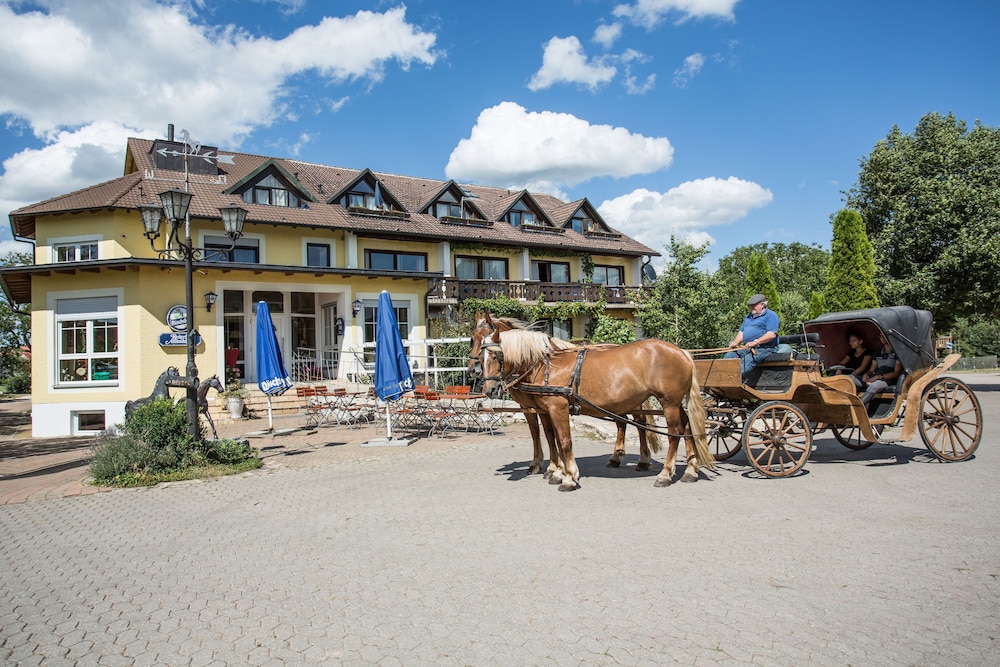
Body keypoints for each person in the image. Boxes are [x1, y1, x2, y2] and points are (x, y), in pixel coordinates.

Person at [725, 293, 780, 378]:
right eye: (750, 305)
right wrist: (735, 342)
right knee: (730, 355)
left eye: (754, 305)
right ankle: (721, 379)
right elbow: (741, 332)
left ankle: (732, 380)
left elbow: (771, 334)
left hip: (765, 348)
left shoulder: (771, 315)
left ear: (762, 305)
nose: (751, 307)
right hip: (748, 347)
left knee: (748, 360)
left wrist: (756, 342)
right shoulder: (748, 317)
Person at [860, 333, 903, 406]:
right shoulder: (877, 353)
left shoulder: (897, 353)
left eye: (884, 335)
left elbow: (896, 373)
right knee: (852, 381)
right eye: (880, 336)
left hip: (888, 379)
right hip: (875, 376)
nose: (882, 338)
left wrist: (879, 377)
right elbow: (871, 370)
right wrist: (866, 374)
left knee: (874, 386)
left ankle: (858, 407)